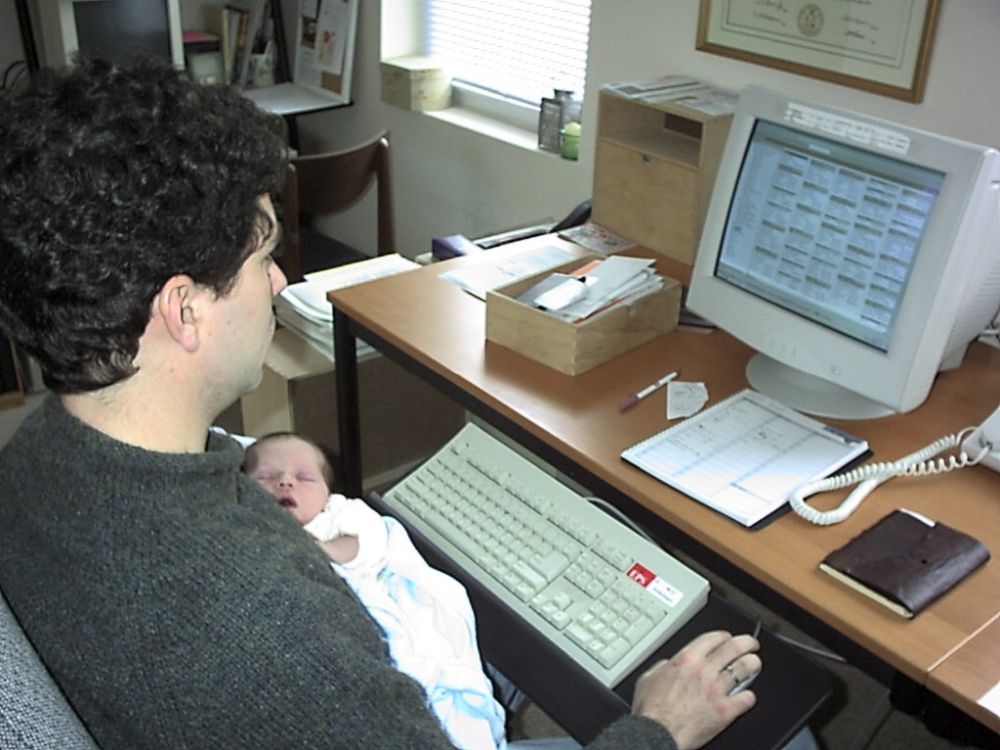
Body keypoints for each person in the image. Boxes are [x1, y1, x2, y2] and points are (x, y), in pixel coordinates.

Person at [0, 57, 766, 750]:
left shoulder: (34, 458)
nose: (279, 282)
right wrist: (658, 729)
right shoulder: (264, 626)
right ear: (184, 309)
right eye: (265, 257)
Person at [244, 432, 508, 750]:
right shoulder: (246, 524)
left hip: (375, 608)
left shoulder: (338, 515)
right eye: (266, 476)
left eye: (305, 478)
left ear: (328, 494)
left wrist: (320, 551)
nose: (285, 482)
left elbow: (369, 545)